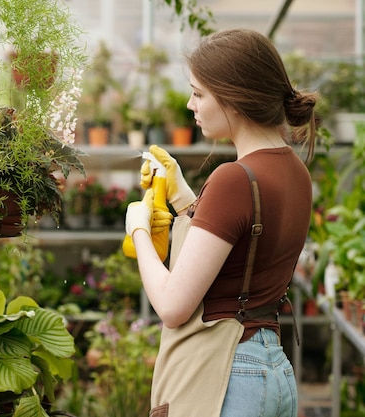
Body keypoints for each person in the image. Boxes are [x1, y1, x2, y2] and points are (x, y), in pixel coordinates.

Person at [125, 29, 318, 417]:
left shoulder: (234, 178)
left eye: (198, 93)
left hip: (228, 376)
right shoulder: (295, 170)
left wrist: (138, 229)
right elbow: (241, 252)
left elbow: (173, 306)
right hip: (272, 370)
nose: (189, 104)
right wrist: (183, 197)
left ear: (232, 98)